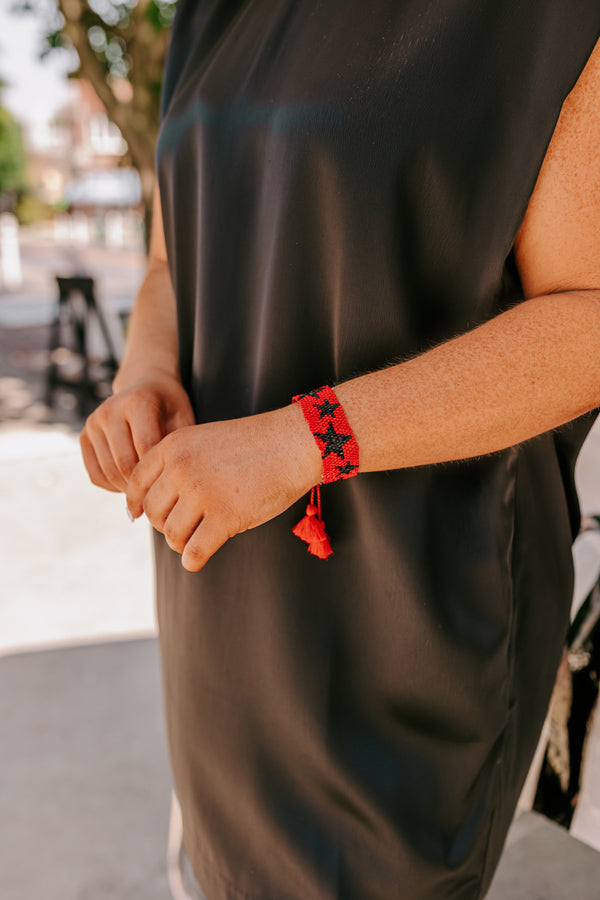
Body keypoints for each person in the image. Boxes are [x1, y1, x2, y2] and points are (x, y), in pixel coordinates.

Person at [80, 3, 600, 897]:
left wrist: (296, 443)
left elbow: (588, 321)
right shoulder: (213, 12)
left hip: (401, 607)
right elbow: (172, 262)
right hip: (218, 589)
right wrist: (146, 373)